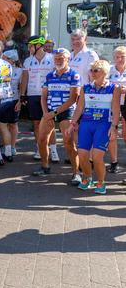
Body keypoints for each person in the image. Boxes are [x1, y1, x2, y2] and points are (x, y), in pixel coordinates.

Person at [67, 59, 120, 194]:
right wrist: (72, 123)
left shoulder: (114, 88)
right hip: (86, 124)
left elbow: (115, 109)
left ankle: (101, 182)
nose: (92, 73)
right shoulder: (86, 88)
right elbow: (79, 109)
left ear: (105, 72)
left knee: (97, 157)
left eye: (96, 70)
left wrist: (114, 127)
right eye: (91, 70)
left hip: (103, 125)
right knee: (82, 155)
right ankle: (88, 178)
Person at [32, 48, 81, 185]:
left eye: (61, 58)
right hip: (49, 111)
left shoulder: (74, 75)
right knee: (41, 140)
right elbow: (43, 97)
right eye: (56, 59)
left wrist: (53, 113)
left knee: (68, 143)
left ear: (68, 59)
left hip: (66, 112)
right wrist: (45, 113)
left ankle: (76, 173)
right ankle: (45, 167)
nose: (58, 61)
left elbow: (73, 99)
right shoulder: (49, 75)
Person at [20, 35, 56, 161]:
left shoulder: (52, 59)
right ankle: (39, 148)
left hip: (48, 95)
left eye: (31, 46)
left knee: (50, 123)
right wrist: (22, 95)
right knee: (36, 124)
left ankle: (53, 150)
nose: (29, 48)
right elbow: (25, 78)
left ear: (39, 46)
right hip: (32, 95)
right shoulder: (27, 61)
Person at [108, 46, 126, 173]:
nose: (119, 59)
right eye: (117, 57)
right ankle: (114, 162)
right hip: (111, 105)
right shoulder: (108, 70)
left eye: (122, 57)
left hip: (125, 104)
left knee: (125, 135)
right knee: (112, 134)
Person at [2, 49, 23, 156]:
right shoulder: (3, 69)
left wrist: (20, 102)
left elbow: (22, 88)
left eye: (4, 58)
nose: (2, 60)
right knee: (3, 125)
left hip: (14, 100)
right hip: (4, 100)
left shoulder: (20, 70)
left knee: (13, 124)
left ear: (12, 60)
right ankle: (6, 146)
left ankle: (13, 146)